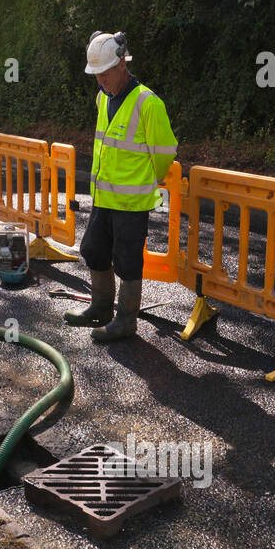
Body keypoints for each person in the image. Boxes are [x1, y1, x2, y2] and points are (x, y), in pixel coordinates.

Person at [68, 30, 177, 342]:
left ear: (121, 65)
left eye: (104, 74)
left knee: (127, 262)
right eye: (96, 76)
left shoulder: (148, 102)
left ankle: (126, 321)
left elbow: (165, 152)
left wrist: (146, 180)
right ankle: (101, 307)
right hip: (104, 197)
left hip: (131, 202)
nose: (100, 81)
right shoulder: (103, 98)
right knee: (92, 249)